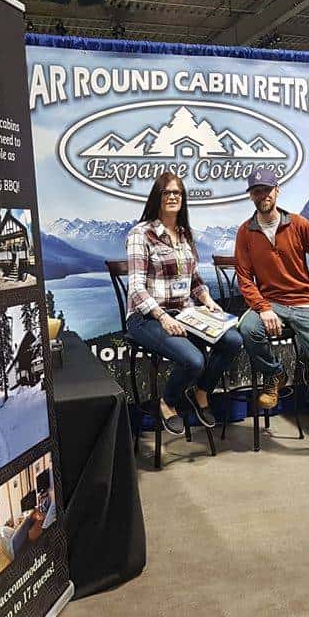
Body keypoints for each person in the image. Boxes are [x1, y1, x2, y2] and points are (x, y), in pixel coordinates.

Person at [234, 169, 309, 462]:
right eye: (257, 191)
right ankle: (275, 373)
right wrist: (263, 308)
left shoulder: (299, 224)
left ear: (277, 191)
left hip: (304, 303)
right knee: (248, 329)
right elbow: (244, 277)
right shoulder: (245, 232)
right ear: (251, 196)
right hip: (271, 302)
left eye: (267, 190)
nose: (263, 195)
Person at [125, 172, 243, 434]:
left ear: (183, 198)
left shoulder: (184, 234)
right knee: (194, 360)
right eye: (166, 192)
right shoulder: (140, 234)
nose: (172, 197)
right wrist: (162, 317)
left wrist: (207, 300)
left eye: (177, 192)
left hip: (185, 313)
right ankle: (167, 402)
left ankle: (201, 391)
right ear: (157, 197)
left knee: (233, 340)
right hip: (146, 317)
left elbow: (195, 279)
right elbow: (136, 288)